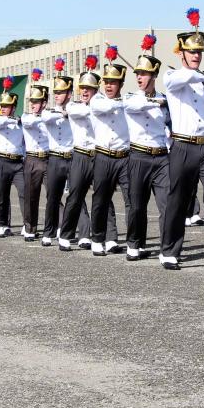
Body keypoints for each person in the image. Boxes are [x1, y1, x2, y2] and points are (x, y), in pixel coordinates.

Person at [158, 8, 204, 270]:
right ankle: (169, 250)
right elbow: (180, 79)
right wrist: (203, 75)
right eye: (191, 52)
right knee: (178, 198)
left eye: (199, 52)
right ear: (181, 53)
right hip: (182, 145)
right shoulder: (173, 76)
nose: (196, 56)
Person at [123, 47, 169, 261]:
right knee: (137, 205)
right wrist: (159, 102)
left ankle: (167, 248)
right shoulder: (132, 97)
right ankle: (135, 243)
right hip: (138, 156)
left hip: (161, 157)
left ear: (154, 75)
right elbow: (136, 106)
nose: (140, 77)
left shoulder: (165, 98)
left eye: (144, 74)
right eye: (138, 74)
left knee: (168, 204)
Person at [42, 60, 89, 247]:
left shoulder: (77, 108)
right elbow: (47, 117)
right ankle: (49, 231)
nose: (57, 96)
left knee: (78, 196)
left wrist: (69, 112)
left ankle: (85, 233)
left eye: (61, 93)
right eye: (56, 93)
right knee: (52, 196)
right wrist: (63, 113)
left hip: (74, 157)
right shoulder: (49, 111)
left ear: (69, 93)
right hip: (54, 158)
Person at [89, 51, 132, 256]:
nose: (108, 85)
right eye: (106, 81)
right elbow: (105, 108)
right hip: (103, 156)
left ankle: (131, 241)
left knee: (132, 200)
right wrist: (130, 101)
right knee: (101, 199)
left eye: (113, 82)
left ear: (121, 84)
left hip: (124, 157)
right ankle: (98, 238)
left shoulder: (128, 103)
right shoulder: (97, 101)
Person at [58, 68, 101, 251]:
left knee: (102, 197)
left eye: (89, 88)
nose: (84, 91)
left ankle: (106, 237)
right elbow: (85, 113)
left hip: (98, 155)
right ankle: (66, 235)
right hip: (80, 156)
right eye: (82, 88)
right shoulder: (73, 106)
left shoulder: (102, 105)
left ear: (95, 90)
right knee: (75, 196)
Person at [0, 79, 25, 237]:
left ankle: (28, 224)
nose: (3, 109)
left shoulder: (20, 122)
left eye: (6, 106)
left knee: (25, 192)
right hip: (2, 161)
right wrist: (15, 119)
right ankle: (1, 224)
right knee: (2, 194)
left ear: (14, 107)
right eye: (2, 106)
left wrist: (20, 120)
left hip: (18, 162)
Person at [20, 72, 51, 243]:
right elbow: (29, 122)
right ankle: (30, 228)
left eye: (36, 102)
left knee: (53, 194)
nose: (32, 104)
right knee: (31, 196)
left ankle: (56, 226)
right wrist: (44, 118)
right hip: (32, 159)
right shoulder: (26, 116)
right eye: (31, 101)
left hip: (48, 159)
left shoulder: (49, 116)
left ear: (44, 103)